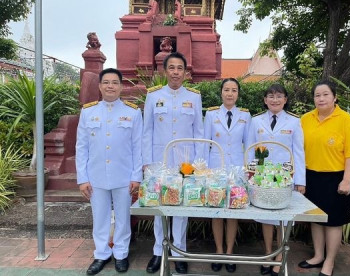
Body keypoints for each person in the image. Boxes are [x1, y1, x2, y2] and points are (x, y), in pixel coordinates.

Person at [76, 68, 143, 275]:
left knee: (123, 217)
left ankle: (121, 254)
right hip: (96, 175)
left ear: (121, 86)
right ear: (100, 86)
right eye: (106, 82)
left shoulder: (132, 112)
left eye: (115, 82)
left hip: (123, 175)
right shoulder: (88, 112)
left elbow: (137, 147)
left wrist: (136, 176)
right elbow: (81, 147)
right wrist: (82, 178)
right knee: (100, 217)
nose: (110, 86)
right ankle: (101, 254)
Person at [142, 52, 204, 274]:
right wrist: (146, 162)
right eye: (172, 68)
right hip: (160, 161)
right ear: (165, 71)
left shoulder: (194, 97)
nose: (176, 72)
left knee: (181, 208)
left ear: (185, 73)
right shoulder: (153, 96)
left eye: (180, 68)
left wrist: (198, 163)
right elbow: (146, 131)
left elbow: (199, 130)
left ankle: (179, 253)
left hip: (185, 162)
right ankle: (158, 251)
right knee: (160, 206)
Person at [298, 80, 350, 276]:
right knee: (316, 219)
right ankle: (318, 256)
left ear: (334, 97)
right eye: (317, 95)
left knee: (333, 222)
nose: (321, 98)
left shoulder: (345, 120)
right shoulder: (305, 119)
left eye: (325, 94)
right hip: (311, 177)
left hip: (336, 178)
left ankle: (329, 262)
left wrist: (347, 181)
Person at [247, 83, 305, 276]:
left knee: (282, 216)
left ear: (285, 100)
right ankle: (268, 253)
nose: (275, 99)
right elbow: (249, 149)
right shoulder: (255, 121)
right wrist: (250, 175)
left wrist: (300, 181)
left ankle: (279, 257)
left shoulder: (294, 122)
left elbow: (298, 152)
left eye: (279, 96)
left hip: (284, 177)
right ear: (265, 100)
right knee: (266, 215)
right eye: (270, 96)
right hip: (262, 177)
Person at [203, 78, 251, 273]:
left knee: (233, 211)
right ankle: (219, 250)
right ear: (221, 92)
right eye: (226, 90)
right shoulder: (211, 114)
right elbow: (205, 142)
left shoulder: (245, 116)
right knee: (217, 211)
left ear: (238, 94)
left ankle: (230, 252)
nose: (230, 94)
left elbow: (249, 145)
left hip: (237, 170)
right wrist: (204, 170)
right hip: (215, 169)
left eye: (234, 90)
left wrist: (248, 170)